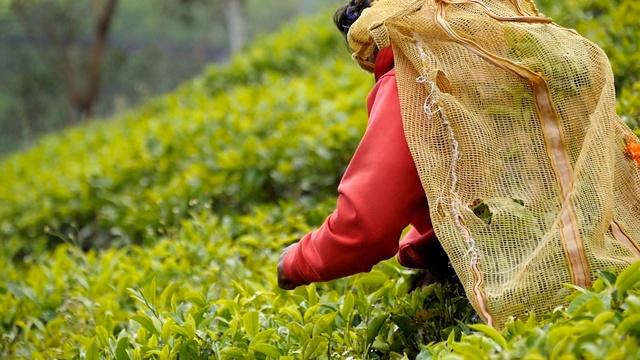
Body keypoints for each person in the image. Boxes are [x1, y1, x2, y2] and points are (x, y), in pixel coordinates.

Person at [277, 0, 444, 290]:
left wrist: (295, 261)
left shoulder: (409, 79)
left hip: (494, 267)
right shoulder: (493, 41)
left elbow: (367, 227)